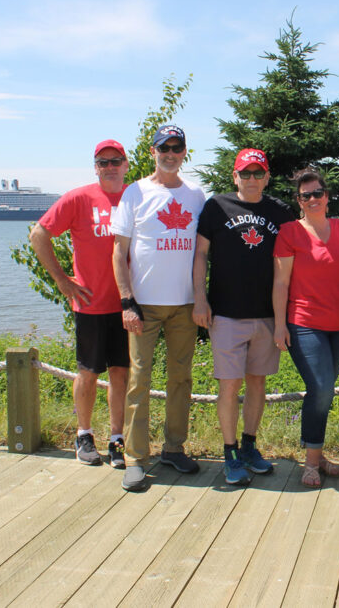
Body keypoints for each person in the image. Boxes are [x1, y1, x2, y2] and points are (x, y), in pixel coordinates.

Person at [111, 124, 207, 492]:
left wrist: (201, 298)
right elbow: (119, 251)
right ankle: (136, 458)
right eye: (163, 148)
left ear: (184, 152)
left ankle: (173, 448)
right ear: (153, 151)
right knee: (139, 380)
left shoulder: (196, 195)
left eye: (176, 147)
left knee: (181, 379)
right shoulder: (135, 192)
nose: (170, 154)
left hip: (184, 304)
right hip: (144, 306)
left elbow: (202, 253)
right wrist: (126, 301)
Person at [193, 148, 293, 486]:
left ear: (267, 177)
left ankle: (249, 446)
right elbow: (200, 255)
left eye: (258, 173)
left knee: (257, 383)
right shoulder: (216, 207)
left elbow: (293, 260)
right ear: (235, 176)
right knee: (229, 385)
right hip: (226, 314)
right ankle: (230, 452)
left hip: (266, 315)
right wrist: (200, 299)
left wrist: (283, 318)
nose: (252, 179)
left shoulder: (280, 212)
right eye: (245, 173)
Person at [30, 139, 130, 468]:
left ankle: (117, 439)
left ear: (126, 164)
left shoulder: (136, 197)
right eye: (103, 162)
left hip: (128, 303)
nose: (110, 167)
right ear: (95, 167)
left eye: (115, 161)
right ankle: (84, 434)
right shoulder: (78, 198)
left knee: (120, 373)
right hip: (91, 304)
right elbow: (39, 235)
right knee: (88, 372)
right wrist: (61, 280)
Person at [272, 169, 339, 488]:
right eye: (305, 195)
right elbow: (281, 283)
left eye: (317, 193)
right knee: (321, 388)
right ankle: (311, 462)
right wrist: (279, 325)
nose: (312, 199)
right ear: (298, 201)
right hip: (304, 323)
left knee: (325, 392)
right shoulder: (290, 232)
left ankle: (317, 452)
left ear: (327, 196)